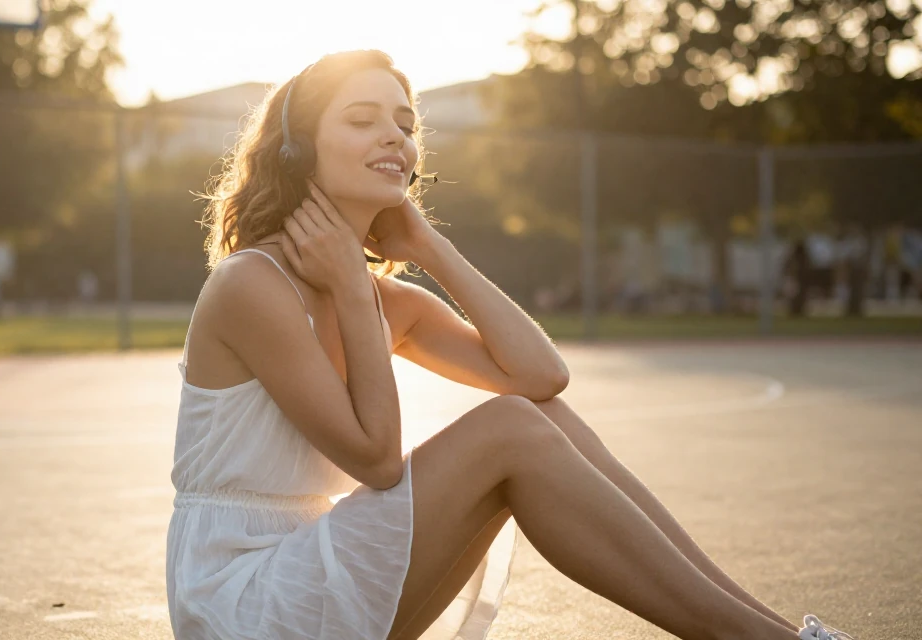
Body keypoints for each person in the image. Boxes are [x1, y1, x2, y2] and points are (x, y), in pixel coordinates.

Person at [165, 50, 853, 640]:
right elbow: (376, 461)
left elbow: (541, 376)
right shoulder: (252, 284)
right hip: (242, 603)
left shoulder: (384, 300)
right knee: (510, 430)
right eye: (361, 119)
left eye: (405, 126)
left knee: (537, 418)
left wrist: (430, 247)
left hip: (320, 572)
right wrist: (350, 288)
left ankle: (776, 632)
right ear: (296, 147)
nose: (394, 138)